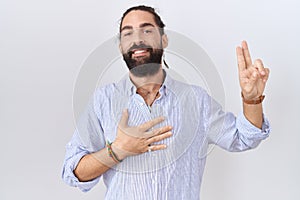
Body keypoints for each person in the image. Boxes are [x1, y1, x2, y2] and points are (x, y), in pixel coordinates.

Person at [62, 5, 270, 200]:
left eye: (147, 30)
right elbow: (73, 171)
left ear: (164, 39)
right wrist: (117, 150)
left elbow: (244, 138)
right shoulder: (103, 101)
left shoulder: (195, 101)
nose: (137, 40)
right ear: (121, 46)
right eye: (128, 33)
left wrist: (251, 99)